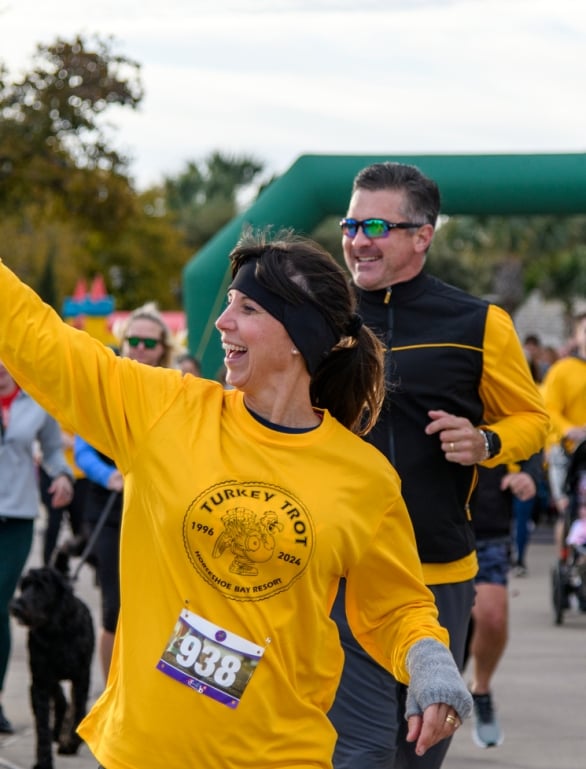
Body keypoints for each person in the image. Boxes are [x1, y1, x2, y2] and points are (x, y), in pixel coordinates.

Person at [0, 232, 473, 769]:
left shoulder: (364, 478)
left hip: (278, 755)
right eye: (228, 304)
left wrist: (431, 660)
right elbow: (34, 335)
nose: (223, 322)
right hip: (147, 752)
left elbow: (398, 606)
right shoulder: (166, 412)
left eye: (246, 308)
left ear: (300, 334)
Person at [328, 161, 550, 769]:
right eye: (350, 223)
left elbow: (534, 421)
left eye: (376, 224)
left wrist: (485, 442)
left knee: (417, 753)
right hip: (333, 573)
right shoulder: (321, 318)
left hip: (438, 570)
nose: (357, 239)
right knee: (350, 752)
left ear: (423, 235)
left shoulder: (478, 323)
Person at [75, 301, 174, 683]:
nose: (141, 349)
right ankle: (109, 692)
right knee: (114, 608)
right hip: (111, 507)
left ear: (163, 348)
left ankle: (152, 692)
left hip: (160, 511)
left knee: (160, 608)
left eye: (150, 343)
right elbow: (83, 448)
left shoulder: (178, 391)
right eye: (133, 341)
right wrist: (108, 476)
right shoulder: (106, 387)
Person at [0, 360, 74, 734]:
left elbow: (53, 452)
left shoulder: (34, 403)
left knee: (0, 602)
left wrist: (62, 476)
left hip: (17, 517)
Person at [464, 455, 541, 749]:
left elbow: (533, 428)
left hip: (487, 525)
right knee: (437, 631)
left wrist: (529, 474)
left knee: (493, 618)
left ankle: (481, 691)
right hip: (427, 525)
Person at [541, 312, 586, 551]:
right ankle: (565, 559)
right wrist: (570, 429)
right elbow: (548, 409)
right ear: (576, 337)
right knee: (568, 510)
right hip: (568, 451)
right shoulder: (562, 370)